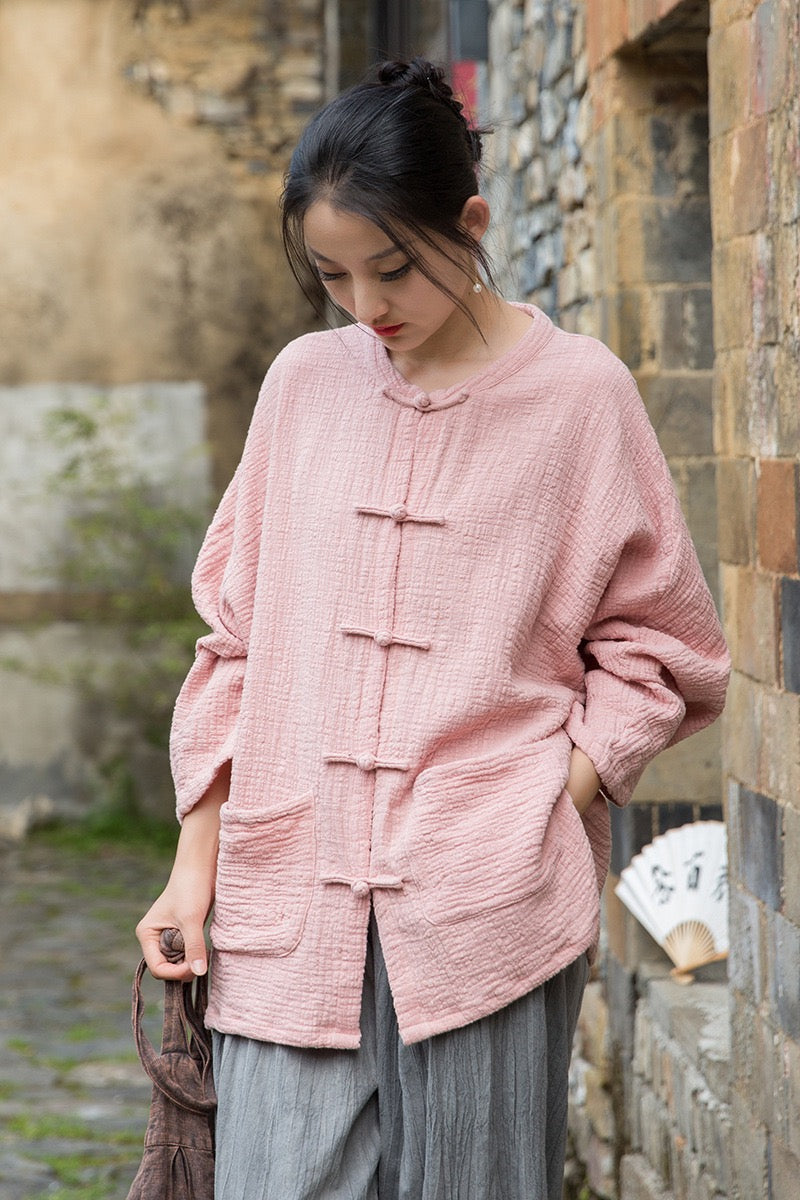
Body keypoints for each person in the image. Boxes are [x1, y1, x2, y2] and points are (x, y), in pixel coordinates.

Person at [136, 57, 730, 1200]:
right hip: (285, 906)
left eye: (394, 266)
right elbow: (236, 644)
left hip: (483, 919)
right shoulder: (302, 386)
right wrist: (190, 873)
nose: (367, 306)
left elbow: (664, 648)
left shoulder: (579, 397)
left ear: (470, 223)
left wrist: (543, 800)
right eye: (332, 275)